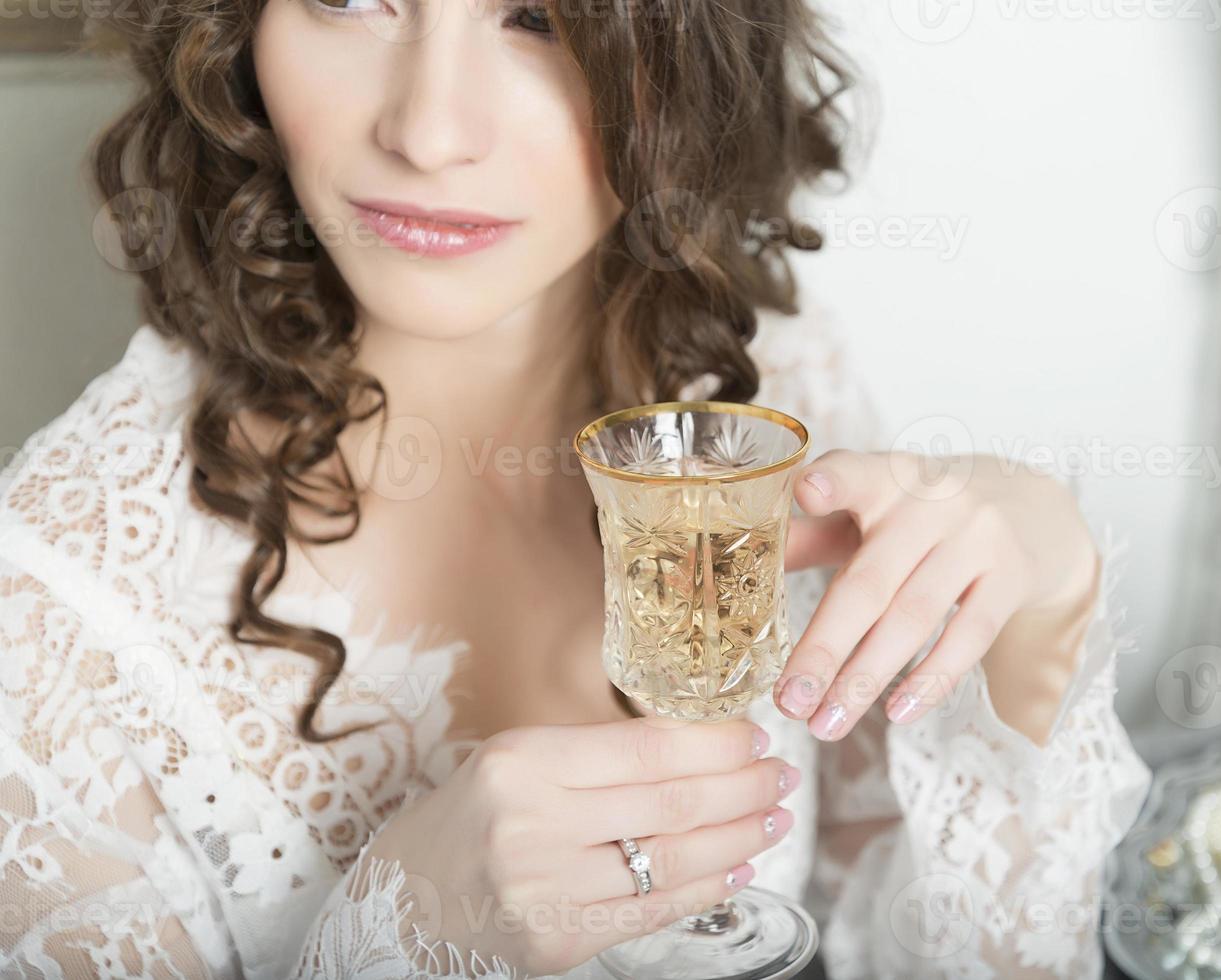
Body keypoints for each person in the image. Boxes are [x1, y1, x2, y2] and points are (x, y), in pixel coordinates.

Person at [0, 0, 1151, 976]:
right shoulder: (49, 622)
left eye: (540, 14)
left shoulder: (760, 387)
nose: (429, 131)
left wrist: (1041, 610)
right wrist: (393, 930)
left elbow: (901, 939)